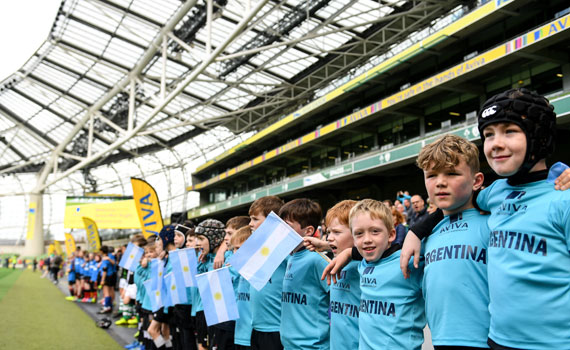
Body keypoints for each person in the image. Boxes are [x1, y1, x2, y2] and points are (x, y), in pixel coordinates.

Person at [401, 88, 570, 349]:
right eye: (488, 135)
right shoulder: (493, 194)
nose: (496, 143)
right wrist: (415, 231)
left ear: (538, 134)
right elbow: (453, 203)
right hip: (498, 340)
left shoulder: (563, 197)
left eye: (509, 131)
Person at [417, 134, 490, 349]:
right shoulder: (425, 234)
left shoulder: (494, 222)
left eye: (452, 174)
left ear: (476, 181)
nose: (440, 182)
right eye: (431, 175)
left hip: (488, 340)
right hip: (440, 339)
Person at [351, 199, 425, 349]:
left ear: (391, 234)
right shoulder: (363, 263)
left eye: (375, 231)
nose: (366, 240)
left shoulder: (409, 263)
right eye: (359, 234)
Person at [279, 198, 330, 350]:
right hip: (289, 344)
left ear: (307, 231)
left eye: (286, 226)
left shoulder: (317, 260)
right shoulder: (291, 257)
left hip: (311, 346)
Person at [247, 196, 286, 350]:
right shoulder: (256, 248)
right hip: (256, 328)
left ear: (272, 221)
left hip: (276, 329)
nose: (250, 224)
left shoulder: (286, 249)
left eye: (255, 219)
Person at [325, 200, 360, 350]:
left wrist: (350, 252)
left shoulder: (365, 265)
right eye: (328, 232)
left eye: (337, 232)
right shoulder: (335, 261)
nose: (329, 238)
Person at [194, 219, 226, 350]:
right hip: (208, 313)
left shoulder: (224, 258)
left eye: (201, 238)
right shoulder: (205, 259)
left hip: (223, 319)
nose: (197, 243)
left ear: (215, 239)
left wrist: (222, 250)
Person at [231, 226, 254, 350]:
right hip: (240, 334)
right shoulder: (239, 270)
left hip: (253, 336)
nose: (235, 253)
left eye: (239, 248)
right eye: (234, 248)